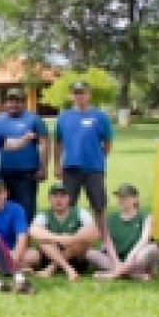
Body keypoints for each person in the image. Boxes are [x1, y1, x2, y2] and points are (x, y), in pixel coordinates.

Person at [54, 79, 114, 238]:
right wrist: (57, 165)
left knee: (99, 206)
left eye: (83, 93)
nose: (79, 96)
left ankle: (104, 240)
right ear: (71, 96)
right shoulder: (63, 117)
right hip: (70, 169)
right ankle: (66, 239)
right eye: (76, 93)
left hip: (94, 170)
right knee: (67, 206)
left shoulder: (100, 117)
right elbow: (58, 142)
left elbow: (107, 142)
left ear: (89, 95)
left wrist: (98, 157)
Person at [0, 87, 50, 225]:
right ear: (5, 103)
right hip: (4, 173)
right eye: (10, 101)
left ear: (24, 102)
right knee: (4, 208)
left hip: (27, 173)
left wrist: (43, 167)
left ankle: (25, 241)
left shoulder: (34, 119)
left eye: (18, 101)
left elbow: (43, 144)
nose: (14, 104)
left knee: (26, 209)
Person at [26, 183, 99, 281]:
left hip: (74, 258)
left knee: (83, 242)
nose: (59, 200)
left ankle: (51, 268)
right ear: (49, 199)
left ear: (68, 198)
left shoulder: (80, 212)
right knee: (42, 241)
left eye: (62, 196)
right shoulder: (43, 215)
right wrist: (59, 238)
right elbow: (33, 231)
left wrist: (72, 239)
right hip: (50, 256)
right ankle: (68, 269)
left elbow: (94, 231)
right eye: (55, 196)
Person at [88, 183, 159, 281]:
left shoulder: (146, 217)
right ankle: (134, 274)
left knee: (150, 250)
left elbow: (144, 240)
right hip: (118, 258)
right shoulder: (111, 218)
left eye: (125, 197)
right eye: (119, 197)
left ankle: (113, 274)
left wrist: (129, 260)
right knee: (90, 253)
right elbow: (107, 242)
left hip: (136, 256)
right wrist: (116, 261)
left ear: (135, 199)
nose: (121, 200)